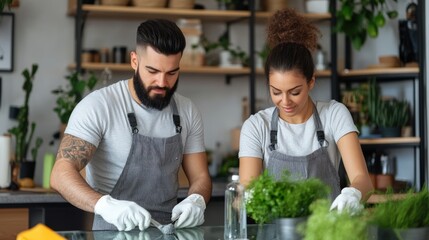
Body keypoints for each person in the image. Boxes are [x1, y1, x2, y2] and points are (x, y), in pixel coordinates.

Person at [50, 19, 212, 231]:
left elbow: (200, 177)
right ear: (134, 61)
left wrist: (197, 200)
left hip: (169, 231)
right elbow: (60, 174)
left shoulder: (186, 110)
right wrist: (105, 205)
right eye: (152, 71)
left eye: (172, 73)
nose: (162, 82)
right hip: (114, 232)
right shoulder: (99, 106)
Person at [238, 8, 373, 213]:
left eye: (294, 92)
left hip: (326, 229)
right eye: (276, 92)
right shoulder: (256, 126)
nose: (285, 101)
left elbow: (362, 179)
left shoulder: (334, 115)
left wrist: (354, 193)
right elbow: (245, 193)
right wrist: (245, 199)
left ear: (311, 82)